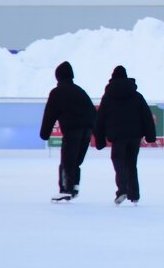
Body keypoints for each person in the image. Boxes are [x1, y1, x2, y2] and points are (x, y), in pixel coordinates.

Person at [93, 65, 157, 204]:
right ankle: (134, 195)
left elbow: (100, 118)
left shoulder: (108, 96)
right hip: (134, 137)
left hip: (118, 137)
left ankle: (122, 189)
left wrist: (100, 139)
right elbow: (146, 116)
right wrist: (150, 136)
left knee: (119, 162)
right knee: (131, 164)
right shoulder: (137, 96)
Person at [39, 61, 96, 203]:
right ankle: (74, 186)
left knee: (67, 161)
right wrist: (96, 132)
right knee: (76, 161)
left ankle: (66, 189)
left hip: (72, 131)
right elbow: (93, 113)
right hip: (86, 132)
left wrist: (44, 133)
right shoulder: (80, 91)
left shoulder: (57, 92)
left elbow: (50, 114)